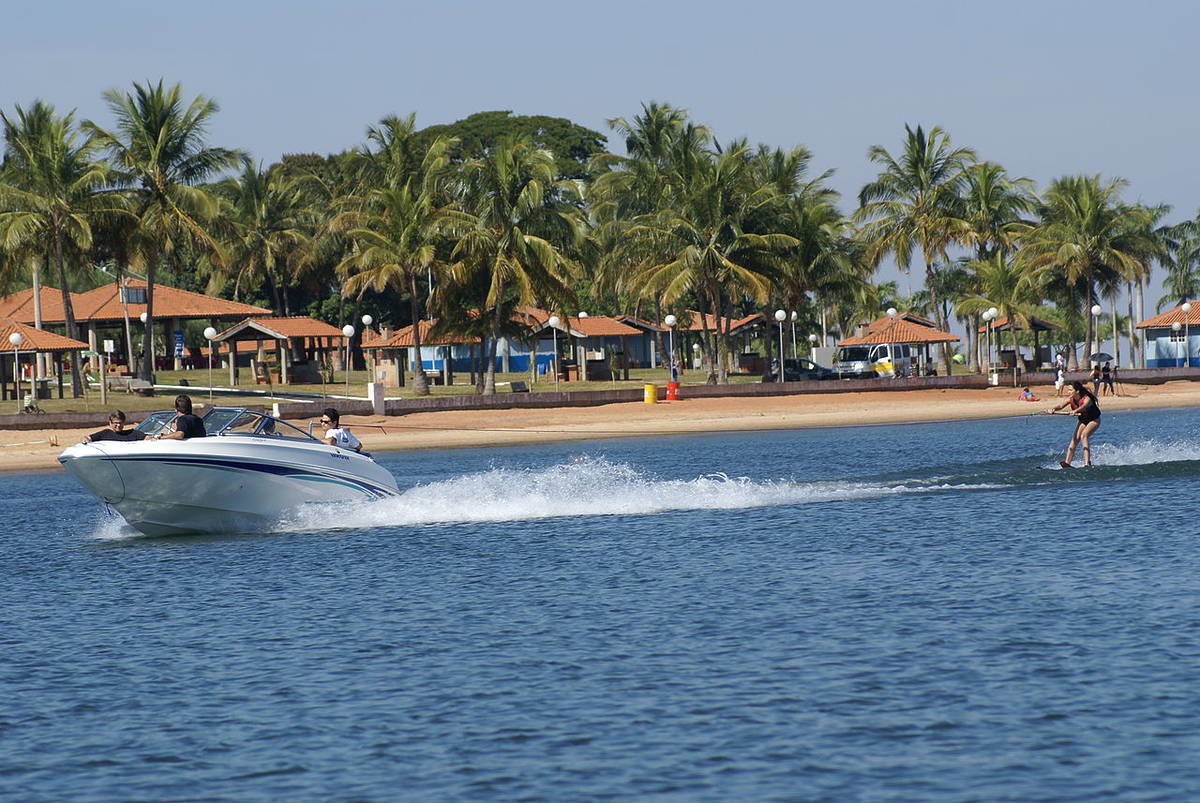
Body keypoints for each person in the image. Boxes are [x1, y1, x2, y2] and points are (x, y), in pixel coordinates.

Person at [1048, 380, 1100, 468]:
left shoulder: (1087, 398)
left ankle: (1087, 463)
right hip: (1083, 420)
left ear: (1077, 391)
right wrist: (1053, 409)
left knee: (1084, 436)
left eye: (1070, 390)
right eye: (1068, 390)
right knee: (1074, 439)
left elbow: (1084, 406)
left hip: (1094, 420)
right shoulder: (1070, 399)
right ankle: (1067, 462)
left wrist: (1075, 411)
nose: (1068, 392)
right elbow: (1061, 406)